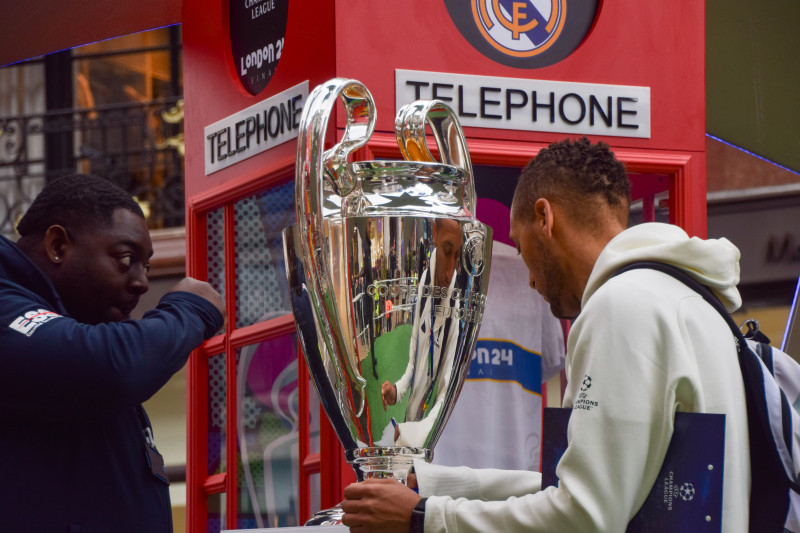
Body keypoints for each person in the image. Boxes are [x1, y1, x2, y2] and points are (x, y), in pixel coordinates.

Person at [340, 137, 751, 532]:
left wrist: (425, 517)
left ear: (545, 218)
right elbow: (609, 490)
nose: (530, 281)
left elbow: (584, 517)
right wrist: (440, 487)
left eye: (521, 249)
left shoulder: (620, 306)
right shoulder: (684, 298)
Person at [0, 174, 225, 532]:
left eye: (146, 265)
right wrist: (191, 309)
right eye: (125, 258)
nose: (142, 281)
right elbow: (110, 368)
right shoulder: (6, 304)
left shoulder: (75, 340)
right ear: (58, 245)